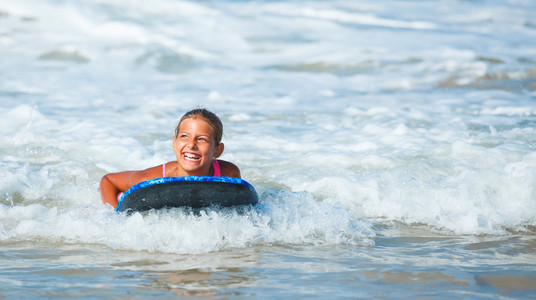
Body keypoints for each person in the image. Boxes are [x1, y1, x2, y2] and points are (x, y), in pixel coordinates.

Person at [100, 108, 241, 209]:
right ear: (174, 143)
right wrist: (114, 217)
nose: (191, 145)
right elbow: (108, 180)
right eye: (184, 136)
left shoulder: (228, 174)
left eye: (202, 139)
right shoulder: (153, 180)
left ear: (218, 150)